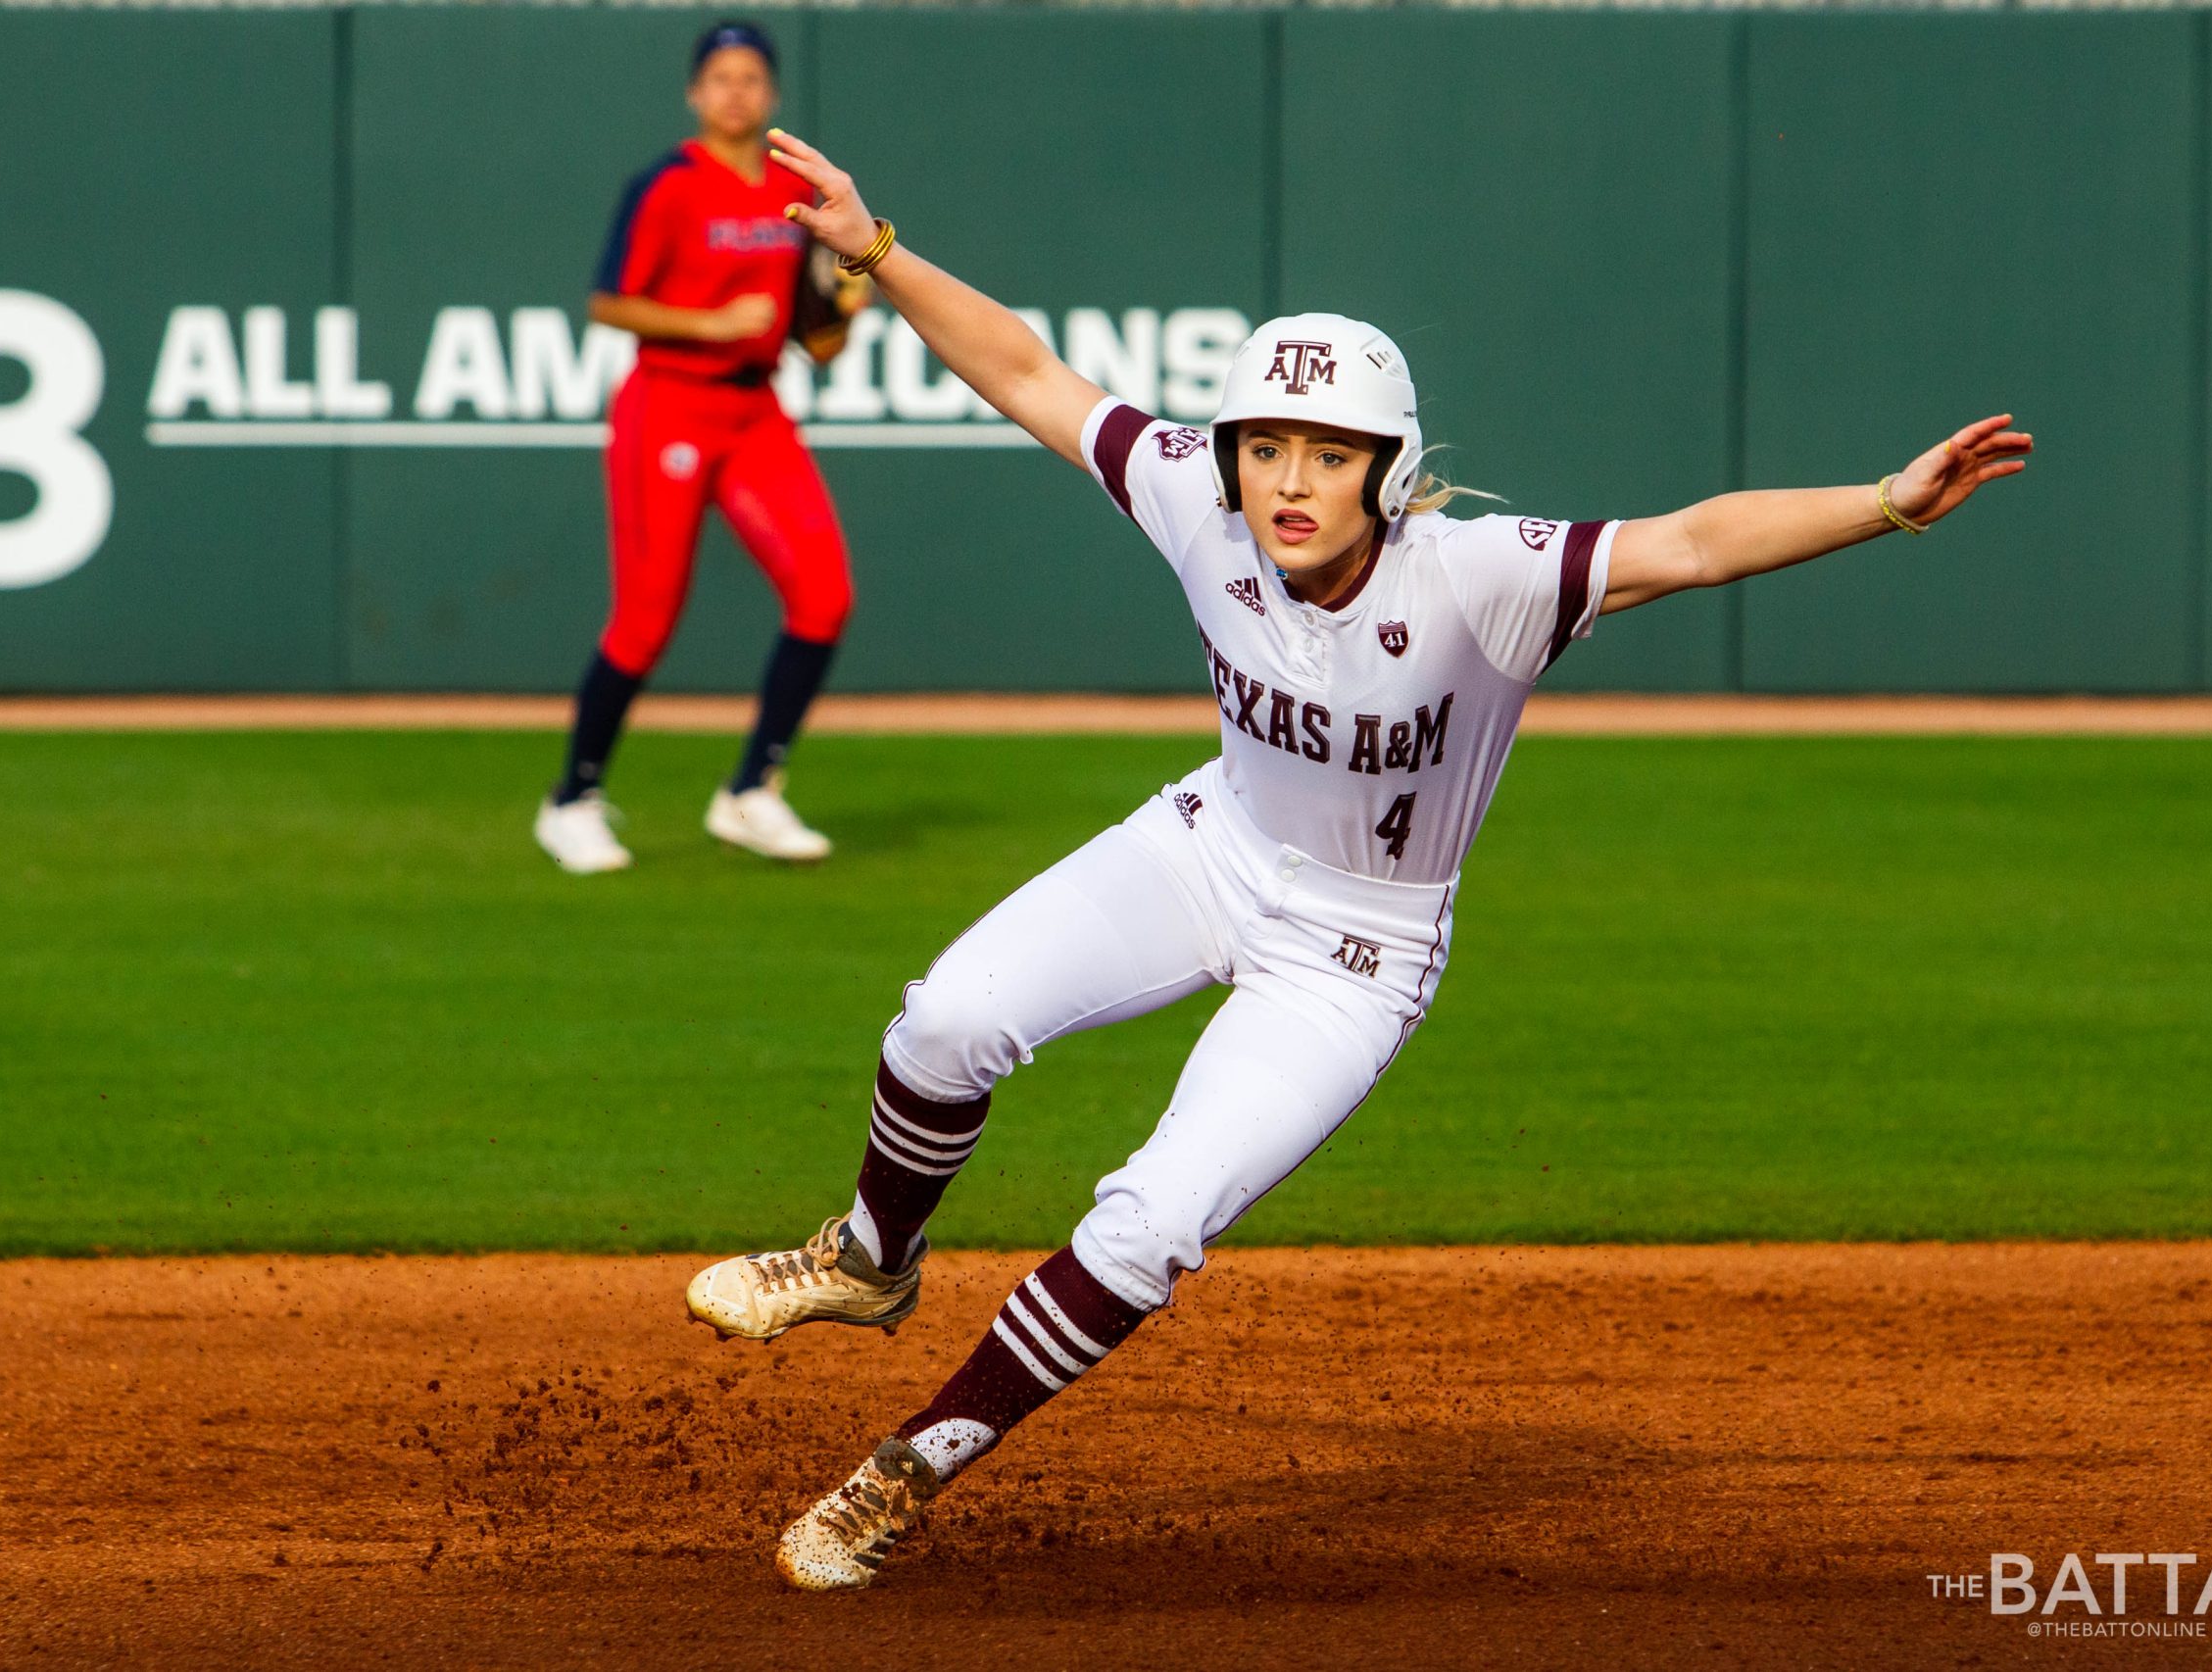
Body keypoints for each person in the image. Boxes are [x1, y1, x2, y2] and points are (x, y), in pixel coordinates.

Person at [683, 126, 2033, 1591]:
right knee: (946, 1015)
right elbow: (1028, 374)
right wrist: (878, 256)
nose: (1289, 479)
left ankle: (903, 1472)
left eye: (1330, 453)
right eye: (1270, 446)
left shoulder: (1485, 578)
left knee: (1148, 1223)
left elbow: (1695, 543)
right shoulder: (1199, 493)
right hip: (1214, 842)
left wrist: (1887, 502)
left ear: (1386, 470)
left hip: (1358, 950)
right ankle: (873, 1259)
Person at [533, 22, 870, 875]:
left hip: (755, 411)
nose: (735, 92)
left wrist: (844, 303)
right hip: (669, 406)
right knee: (645, 620)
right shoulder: (670, 185)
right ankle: (571, 799)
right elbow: (608, 303)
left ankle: (752, 790)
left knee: (824, 594)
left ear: (773, 94)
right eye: (720, 77)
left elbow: (817, 341)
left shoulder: (790, 196)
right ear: (695, 91)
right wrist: (709, 323)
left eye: (751, 77)